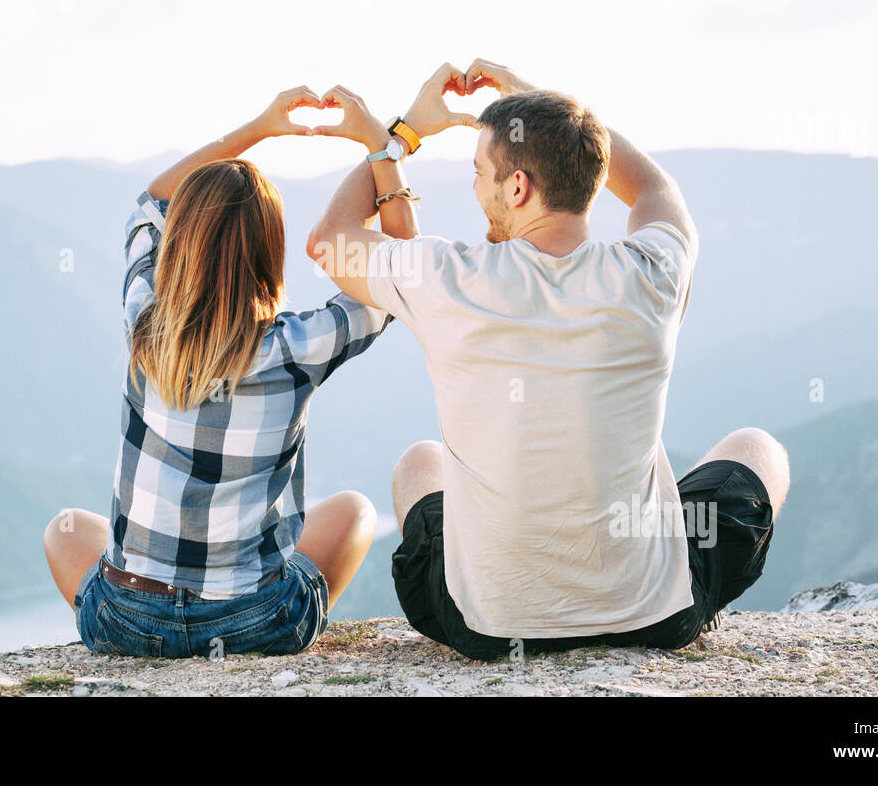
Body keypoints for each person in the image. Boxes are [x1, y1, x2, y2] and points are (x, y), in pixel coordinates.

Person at [307, 59, 791, 660]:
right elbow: (654, 190)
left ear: (517, 188)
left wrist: (399, 136)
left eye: (480, 172)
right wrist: (553, 112)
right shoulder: (652, 274)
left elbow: (328, 238)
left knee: (419, 465)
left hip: (485, 627)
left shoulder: (448, 278)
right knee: (758, 449)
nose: (476, 187)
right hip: (655, 616)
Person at [43, 85, 418, 658]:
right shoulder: (298, 347)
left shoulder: (144, 321)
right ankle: (262, 626)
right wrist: (383, 145)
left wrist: (257, 130)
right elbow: (402, 268)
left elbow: (149, 203)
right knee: (355, 512)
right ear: (269, 252)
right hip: (256, 621)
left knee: (65, 528)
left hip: (126, 620)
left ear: (182, 246)